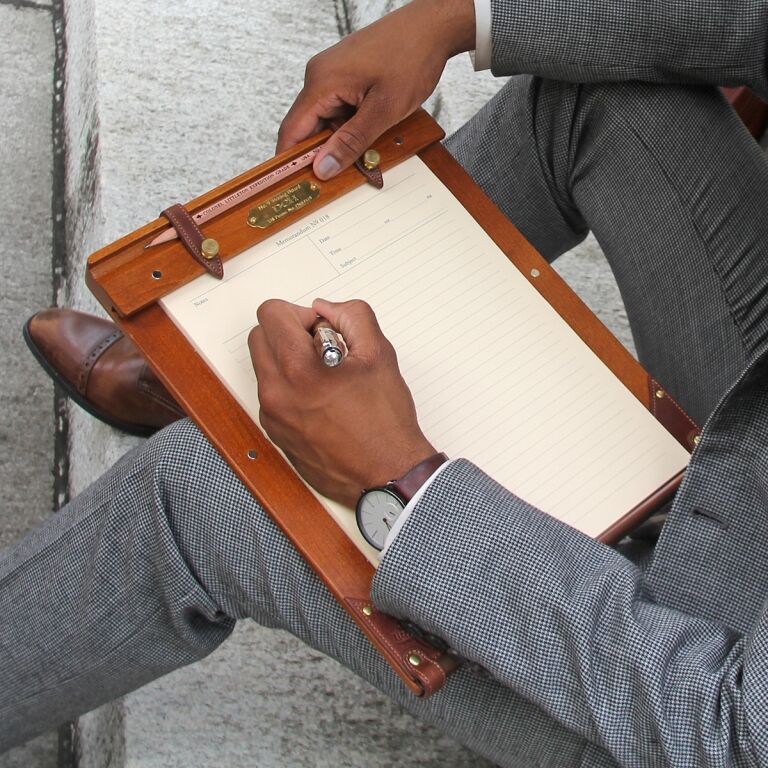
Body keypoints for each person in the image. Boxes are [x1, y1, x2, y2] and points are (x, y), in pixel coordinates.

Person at [7, 0, 768, 764]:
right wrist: (460, 20)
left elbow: (730, 737)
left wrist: (403, 488)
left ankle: (251, 406)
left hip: (701, 682)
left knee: (216, 488)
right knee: (593, 99)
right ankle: (221, 365)